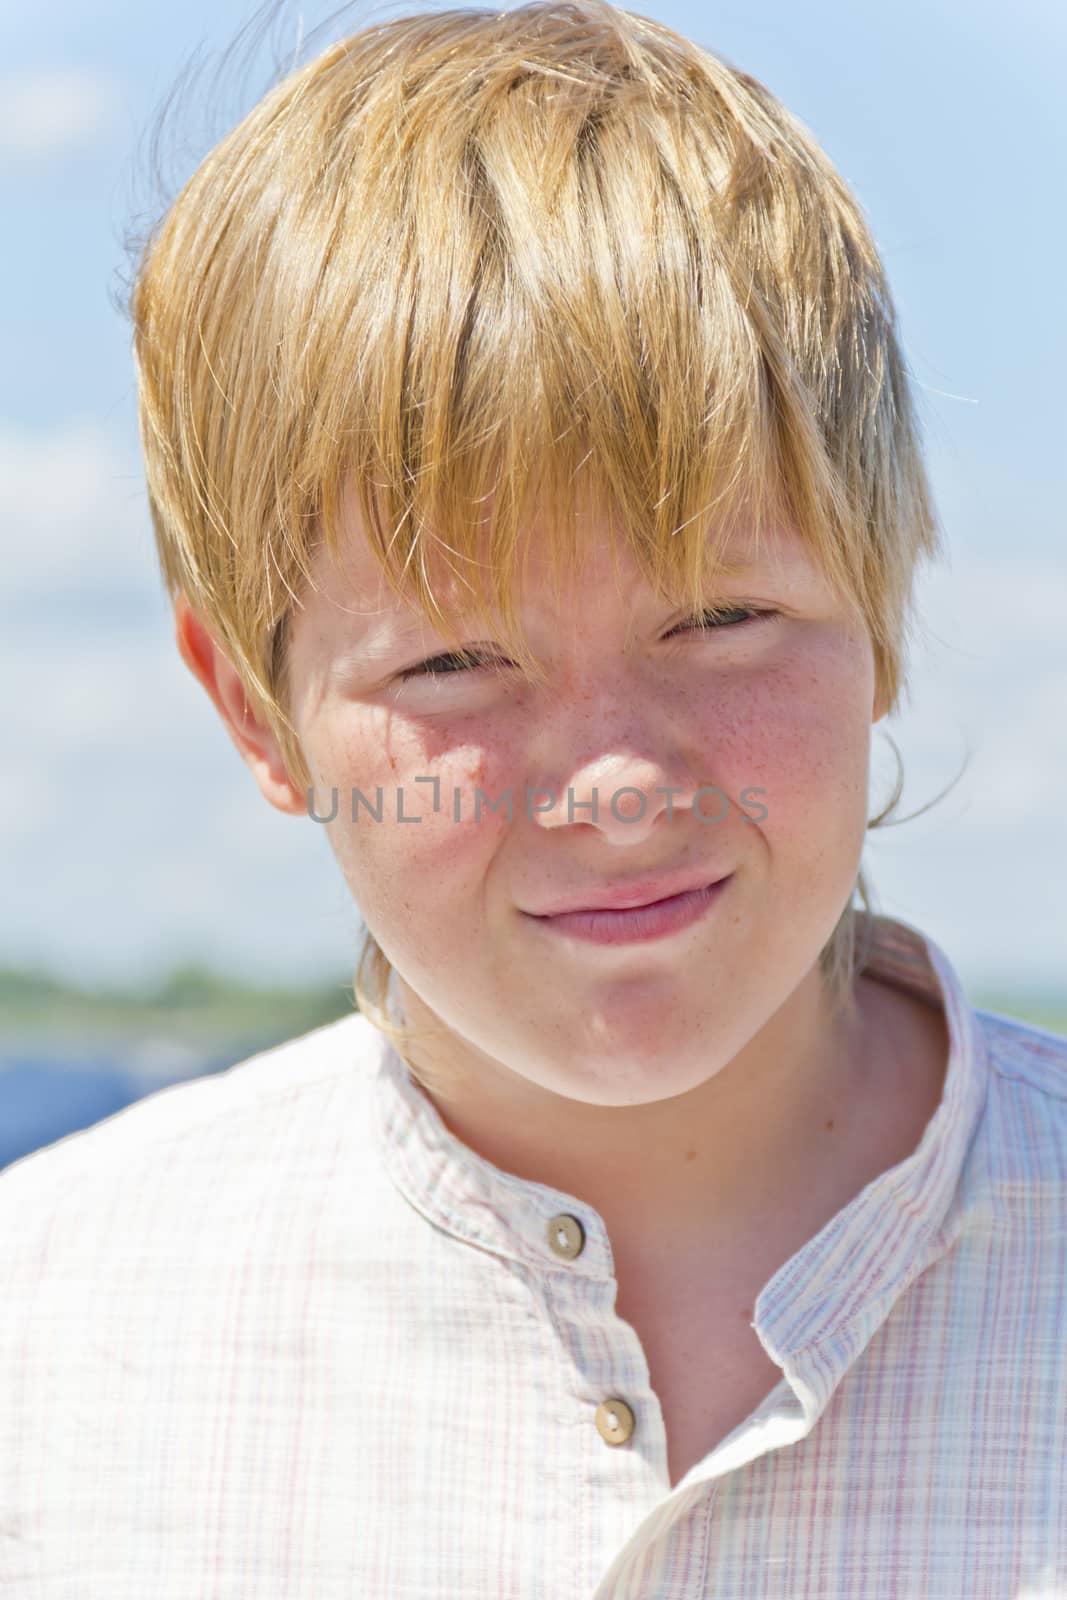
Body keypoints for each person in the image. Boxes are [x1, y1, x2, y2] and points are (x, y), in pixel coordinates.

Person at [2, 2, 1065, 1593]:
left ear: (886, 608)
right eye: (454, 663)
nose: (621, 787)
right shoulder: (53, 1338)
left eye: (721, 621)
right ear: (253, 709)